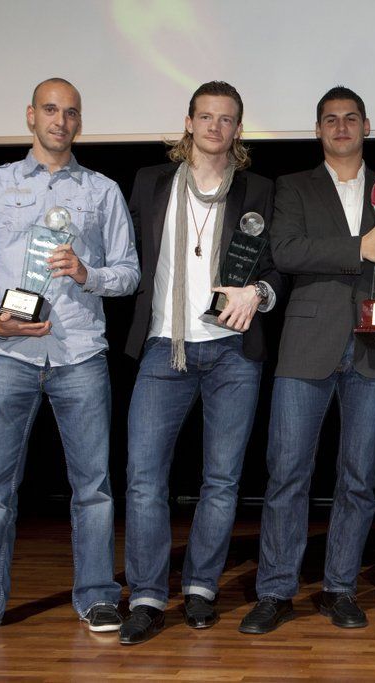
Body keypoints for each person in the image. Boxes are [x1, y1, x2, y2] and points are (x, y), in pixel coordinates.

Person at [239, 86, 375, 634]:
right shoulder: (293, 186)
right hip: (307, 346)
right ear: (318, 129)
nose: (342, 127)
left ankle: (340, 588)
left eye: (351, 118)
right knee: (287, 473)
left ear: (367, 126)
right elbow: (285, 251)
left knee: (358, 477)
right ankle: (275, 591)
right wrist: (359, 248)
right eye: (331, 119)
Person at [0, 78, 139, 639]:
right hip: (9, 353)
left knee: (94, 488)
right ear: (30, 115)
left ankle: (98, 596)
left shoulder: (102, 191)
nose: (61, 120)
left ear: (80, 121)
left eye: (71, 112)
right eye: (51, 110)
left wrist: (87, 273)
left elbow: (128, 273)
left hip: (80, 354)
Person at [119, 81, 283, 645]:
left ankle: (201, 588)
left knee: (221, 480)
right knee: (144, 480)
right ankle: (146, 597)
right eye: (206, 116)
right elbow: (125, 256)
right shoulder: (150, 182)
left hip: (233, 352)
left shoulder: (260, 189)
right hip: (164, 347)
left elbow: (276, 268)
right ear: (188, 122)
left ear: (238, 129)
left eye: (226, 118)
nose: (215, 126)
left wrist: (257, 292)